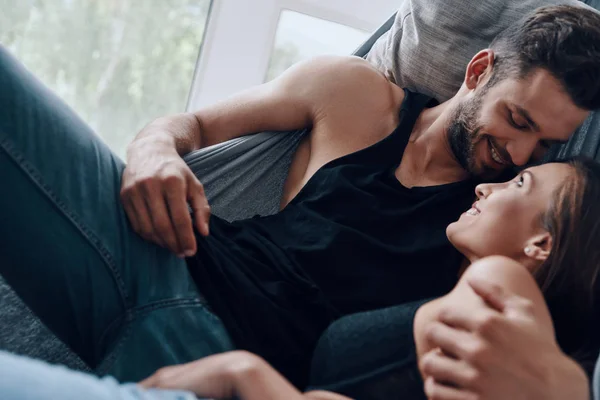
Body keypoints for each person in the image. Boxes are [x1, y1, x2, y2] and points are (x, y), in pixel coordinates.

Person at [1, 4, 600, 388]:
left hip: (231, 357)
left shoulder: (496, 228)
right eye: (516, 120)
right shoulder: (353, 94)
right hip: (161, 255)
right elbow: (193, 128)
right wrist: (154, 148)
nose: (518, 155)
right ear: (478, 72)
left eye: (543, 147)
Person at [3, 159, 600, 400]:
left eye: (520, 184)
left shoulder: (501, 287)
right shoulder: (461, 310)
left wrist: (567, 387)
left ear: (541, 244)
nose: (488, 184)